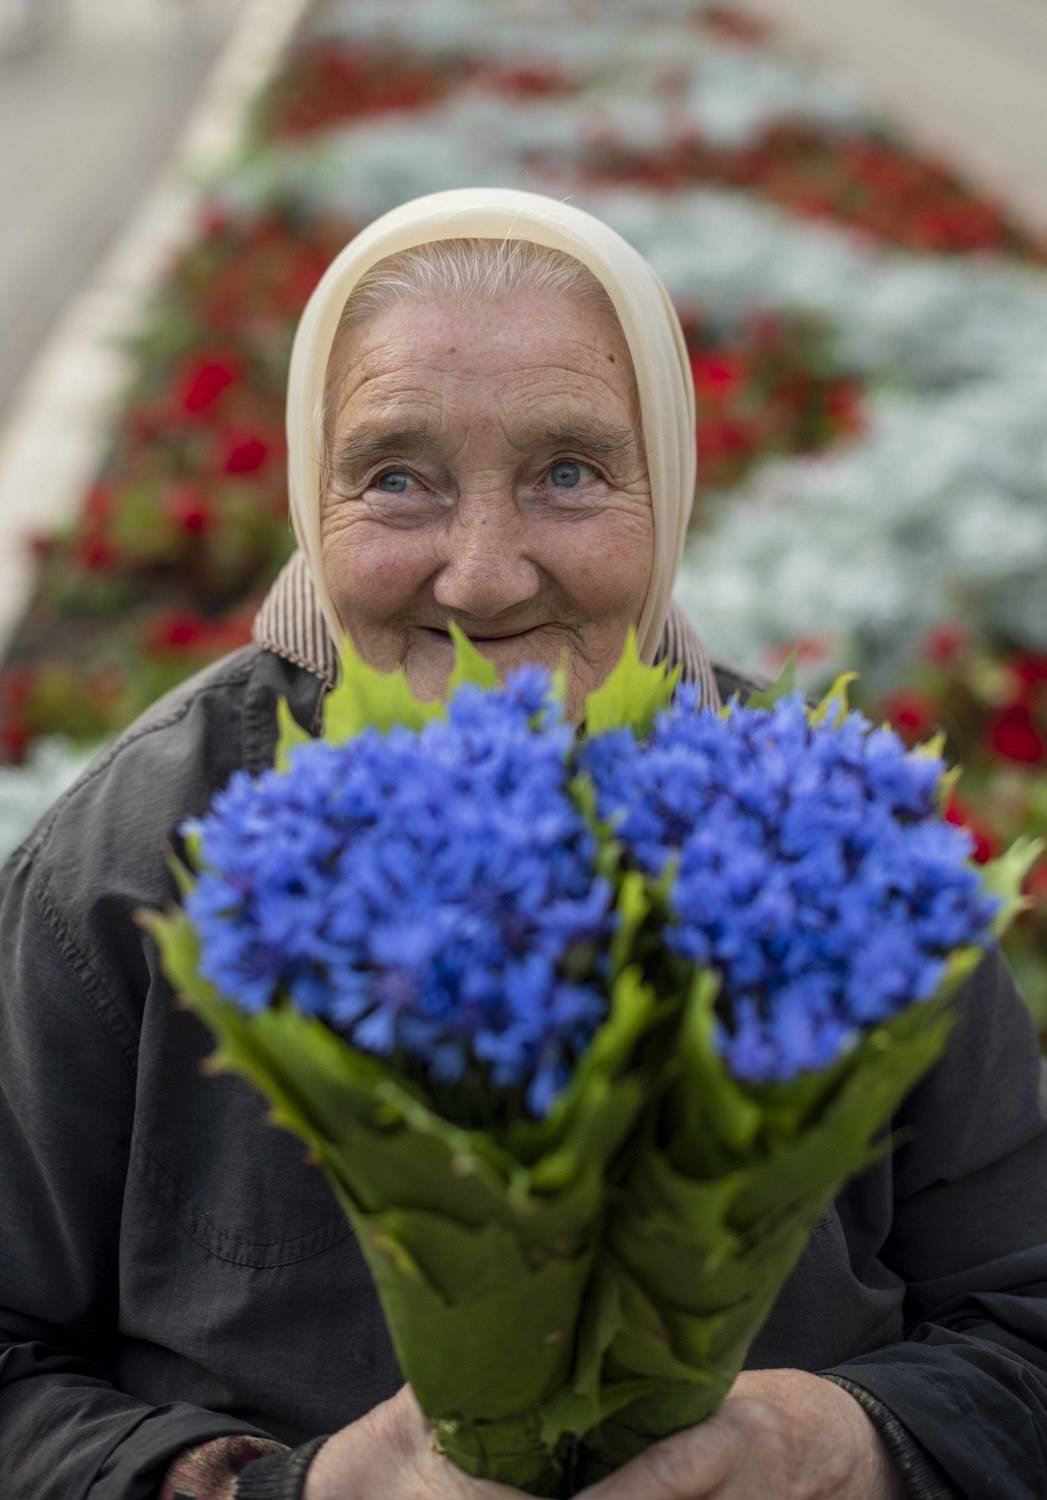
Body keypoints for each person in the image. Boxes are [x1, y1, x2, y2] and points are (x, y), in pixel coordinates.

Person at [0, 188, 1044, 1500]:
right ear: (313, 496)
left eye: (568, 473)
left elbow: (1026, 1323)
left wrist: (842, 1445)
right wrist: (278, 1487)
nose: (483, 575)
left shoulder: (835, 846)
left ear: (667, 489)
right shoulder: (142, 859)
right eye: (396, 479)